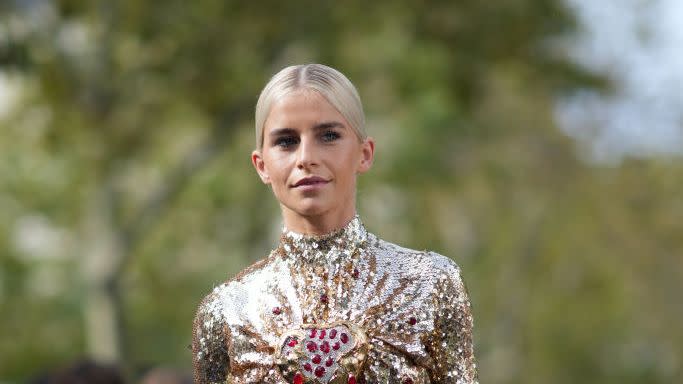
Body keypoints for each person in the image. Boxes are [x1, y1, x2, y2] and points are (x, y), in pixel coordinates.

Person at [192, 64, 477, 384]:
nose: (306, 157)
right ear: (262, 165)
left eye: (328, 136)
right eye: (286, 141)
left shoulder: (430, 283)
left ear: (364, 154)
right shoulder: (228, 309)